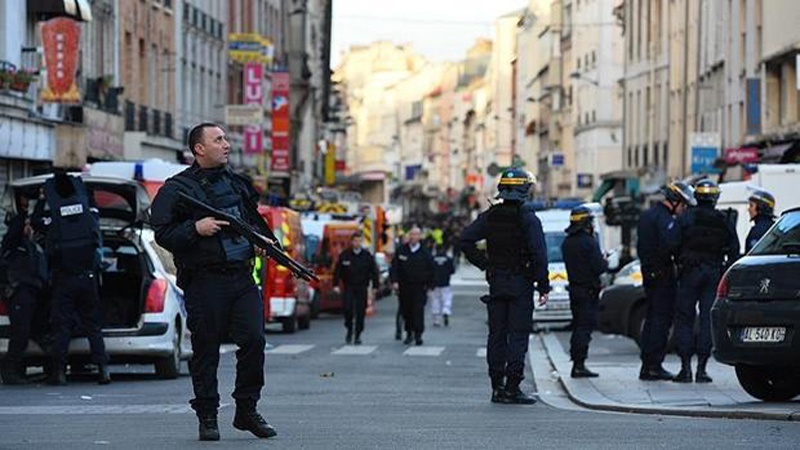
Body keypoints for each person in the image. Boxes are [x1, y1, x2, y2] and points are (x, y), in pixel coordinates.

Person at [150, 122, 278, 442]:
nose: (226, 145)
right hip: (205, 281)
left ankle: (246, 409)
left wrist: (264, 241)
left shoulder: (237, 184)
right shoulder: (177, 189)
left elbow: (254, 222)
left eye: (225, 139)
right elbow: (162, 233)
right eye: (218, 140)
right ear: (199, 149)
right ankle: (207, 415)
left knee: (254, 341)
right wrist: (197, 228)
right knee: (206, 349)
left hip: (242, 277)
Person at [460, 168, 549, 404]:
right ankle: (512, 388)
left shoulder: (490, 216)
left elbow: (465, 239)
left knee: (496, 335)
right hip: (520, 283)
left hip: (497, 283)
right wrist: (544, 285)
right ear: (524, 190)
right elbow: (539, 254)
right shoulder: (528, 218)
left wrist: (485, 265)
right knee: (518, 335)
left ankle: (496, 386)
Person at [32, 171, 110, 386]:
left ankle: (59, 373)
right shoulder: (88, 212)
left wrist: (40, 201)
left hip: (64, 280)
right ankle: (103, 369)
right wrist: (88, 193)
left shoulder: (54, 216)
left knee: (62, 327)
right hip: (87, 278)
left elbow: (36, 221)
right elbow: (95, 214)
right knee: (93, 326)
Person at [672, 180, 739, 383]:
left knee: (684, 318)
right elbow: (734, 248)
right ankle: (702, 369)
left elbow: (673, 244)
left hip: (690, 273)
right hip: (712, 272)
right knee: (707, 320)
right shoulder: (723, 219)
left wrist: (680, 261)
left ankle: (685, 369)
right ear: (715, 197)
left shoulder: (685, 218)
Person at [637, 181, 695, 381]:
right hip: (662, 275)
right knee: (661, 321)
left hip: (650, 273)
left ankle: (647, 364)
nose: (683, 210)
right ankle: (654, 365)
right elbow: (670, 245)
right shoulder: (665, 220)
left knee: (652, 318)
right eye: (683, 205)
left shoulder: (648, 215)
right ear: (675, 201)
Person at [0, 211, 48, 385]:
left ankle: (18, 369)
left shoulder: (33, 246)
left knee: (30, 331)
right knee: (20, 334)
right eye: (25, 224)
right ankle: (10, 371)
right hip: (19, 292)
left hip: (33, 294)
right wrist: (23, 209)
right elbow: (15, 229)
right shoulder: (13, 244)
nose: (29, 227)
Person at [561, 206, 608, 378]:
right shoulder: (589, 242)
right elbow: (599, 267)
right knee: (584, 328)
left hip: (575, 289)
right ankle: (579, 365)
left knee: (577, 326)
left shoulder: (567, 242)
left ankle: (577, 362)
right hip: (588, 290)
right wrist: (604, 260)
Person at [390, 226, 434, 346]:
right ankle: (409, 333)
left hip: (420, 287)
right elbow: (394, 267)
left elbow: (431, 270)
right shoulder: (401, 251)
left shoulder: (425, 253)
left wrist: (430, 286)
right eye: (412, 234)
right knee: (406, 311)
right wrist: (394, 281)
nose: (414, 237)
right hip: (404, 287)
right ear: (409, 236)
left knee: (418, 311)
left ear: (420, 237)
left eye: (416, 235)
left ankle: (418, 334)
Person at [333, 231, 379, 345]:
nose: (357, 243)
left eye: (359, 241)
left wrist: (375, 286)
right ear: (352, 242)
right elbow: (337, 271)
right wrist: (335, 284)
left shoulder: (367, 256)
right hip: (349, 286)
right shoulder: (345, 255)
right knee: (347, 309)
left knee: (360, 312)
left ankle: (358, 334)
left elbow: (374, 271)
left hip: (362, 287)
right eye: (355, 241)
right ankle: (349, 328)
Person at [430, 245, 455, 327]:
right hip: (445, 283)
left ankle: (436, 319)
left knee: (435, 300)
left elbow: (428, 271)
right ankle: (446, 311)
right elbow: (452, 271)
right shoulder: (449, 259)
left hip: (434, 284)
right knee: (447, 298)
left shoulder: (432, 259)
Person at [744, 189, 776, 254]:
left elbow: (752, 256)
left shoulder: (757, 231)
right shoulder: (775, 227)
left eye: (751, 205)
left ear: (761, 207)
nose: (748, 209)